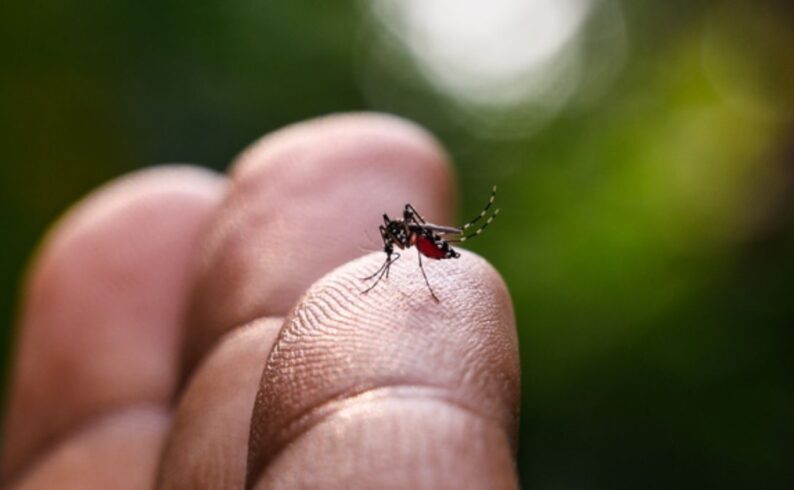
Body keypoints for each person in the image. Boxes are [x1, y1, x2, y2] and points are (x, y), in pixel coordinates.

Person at [1, 113, 520, 489]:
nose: (390, 239)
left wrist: (421, 254)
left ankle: (461, 235)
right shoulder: (398, 237)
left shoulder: (411, 238)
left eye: (395, 237)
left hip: (436, 251)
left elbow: (406, 244)